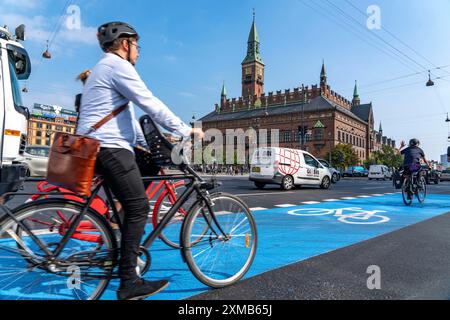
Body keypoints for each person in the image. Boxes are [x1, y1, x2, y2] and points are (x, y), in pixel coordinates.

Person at [76, 21, 203, 300]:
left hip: (99, 147)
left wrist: (157, 145)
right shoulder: (117, 66)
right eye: (137, 46)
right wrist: (184, 129)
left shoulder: (104, 68)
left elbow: (130, 125)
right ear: (125, 43)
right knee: (138, 207)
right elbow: (150, 102)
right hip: (109, 148)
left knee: (140, 183)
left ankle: (118, 245)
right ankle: (129, 281)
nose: (138, 52)